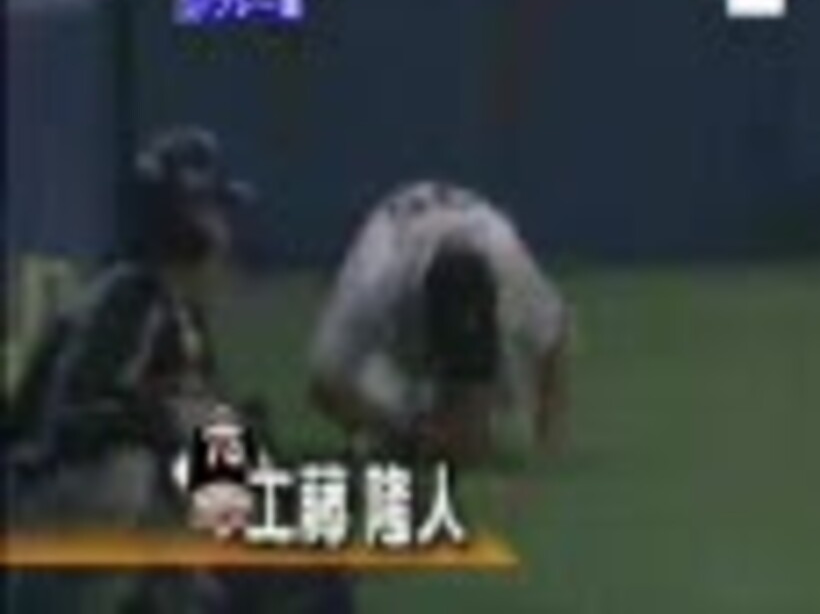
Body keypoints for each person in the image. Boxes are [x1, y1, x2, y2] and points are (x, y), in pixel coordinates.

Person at [6, 125, 255, 613]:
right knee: (134, 469)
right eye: (217, 212)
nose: (228, 232)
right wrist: (168, 418)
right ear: (189, 227)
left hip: (65, 504)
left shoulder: (178, 313)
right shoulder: (130, 300)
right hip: (37, 499)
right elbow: (69, 424)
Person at [309, 180, 570, 466]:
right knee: (387, 400)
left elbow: (553, 336)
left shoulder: (510, 268)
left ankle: (462, 411)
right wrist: (403, 433)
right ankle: (420, 413)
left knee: (472, 442)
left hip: (471, 251)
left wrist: (547, 432)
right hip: (399, 269)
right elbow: (325, 386)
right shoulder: (374, 286)